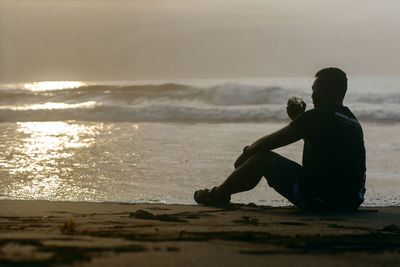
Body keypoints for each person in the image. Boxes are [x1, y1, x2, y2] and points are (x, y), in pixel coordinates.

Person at [194, 67, 366, 211]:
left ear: (329, 90)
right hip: (350, 203)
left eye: (316, 89)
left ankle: (217, 195)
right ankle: (221, 193)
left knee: (261, 159)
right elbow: (323, 151)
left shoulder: (317, 117)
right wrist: (300, 120)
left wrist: (247, 153)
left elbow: (272, 141)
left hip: (322, 201)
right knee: (261, 157)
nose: (313, 95)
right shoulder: (351, 120)